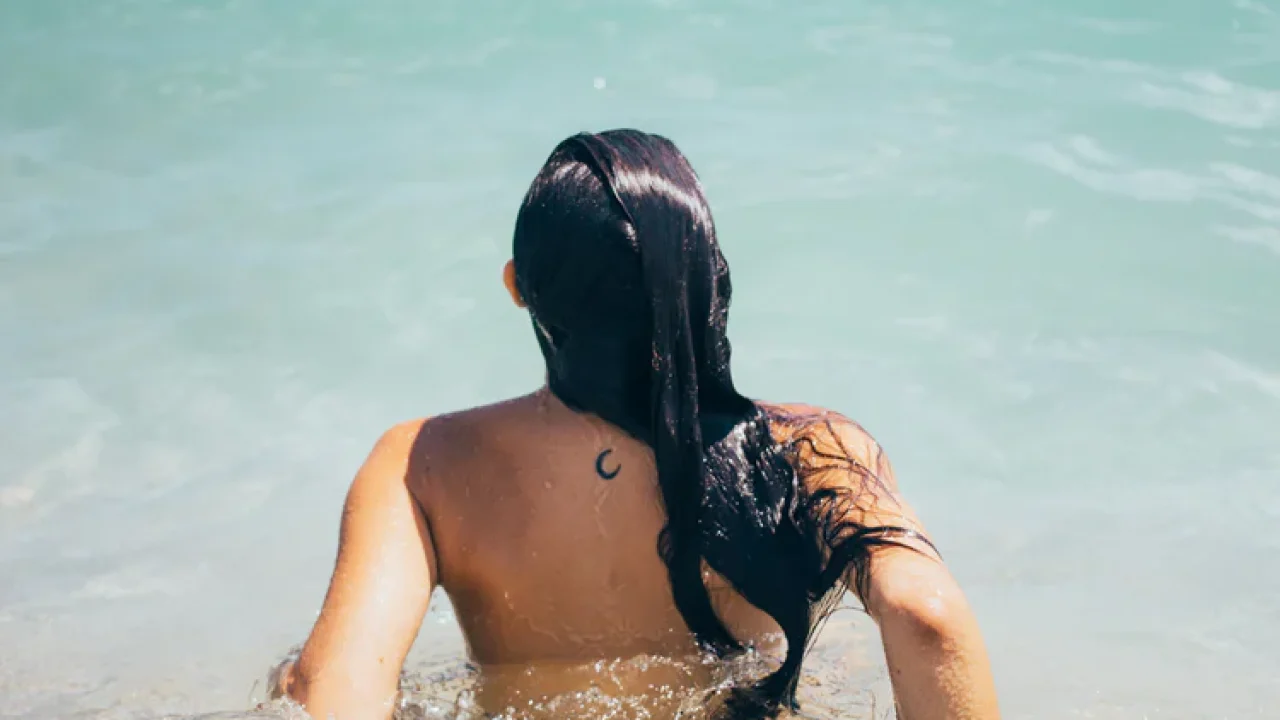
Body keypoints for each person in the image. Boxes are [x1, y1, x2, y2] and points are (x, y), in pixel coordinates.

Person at [275, 129, 1000, 720]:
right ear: (709, 283)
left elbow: (332, 692)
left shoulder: (421, 464)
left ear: (517, 289)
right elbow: (926, 615)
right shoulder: (816, 449)